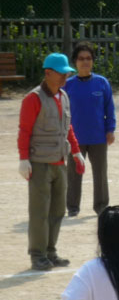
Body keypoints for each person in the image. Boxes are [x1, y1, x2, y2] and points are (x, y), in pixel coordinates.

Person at [18, 51, 86, 271]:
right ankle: (37, 255)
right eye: (61, 73)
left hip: (60, 163)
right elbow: (24, 130)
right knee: (40, 212)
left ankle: (50, 252)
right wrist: (24, 159)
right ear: (48, 73)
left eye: (67, 73)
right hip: (39, 164)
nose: (66, 77)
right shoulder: (33, 98)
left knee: (57, 211)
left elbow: (68, 127)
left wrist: (76, 152)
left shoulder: (63, 96)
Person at [64, 41, 116, 217]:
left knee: (100, 173)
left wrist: (110, 129)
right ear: (75, 62)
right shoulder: (68, 85)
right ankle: (72, 207)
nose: (85, 62)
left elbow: (109, 109)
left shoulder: (102, 83)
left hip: (98, 136)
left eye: (88, 58)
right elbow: (61, 111)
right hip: (74, 139)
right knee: (73, 173)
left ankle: (101, 206)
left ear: (93, 61)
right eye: (81, 58)